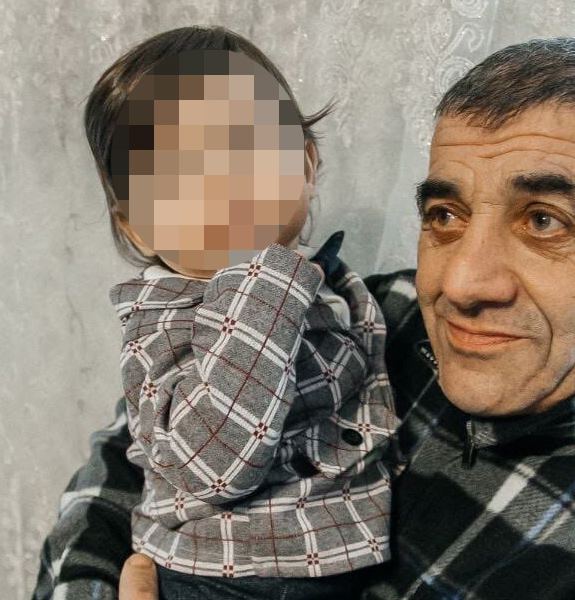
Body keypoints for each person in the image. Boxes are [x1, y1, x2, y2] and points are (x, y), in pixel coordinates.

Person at [32, 37, 575, 600]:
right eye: (445, 215)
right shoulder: (381, 313)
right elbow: (121, 461)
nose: (461, 285)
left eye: (544, 221)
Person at [77, 26, 401, 600]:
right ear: (138, 227)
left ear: (305, 166)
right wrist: (264, 280)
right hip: (222, 574)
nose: (218, 181)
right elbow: (214, 465)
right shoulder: (164, 323)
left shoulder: (332, 286)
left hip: (332, 558)